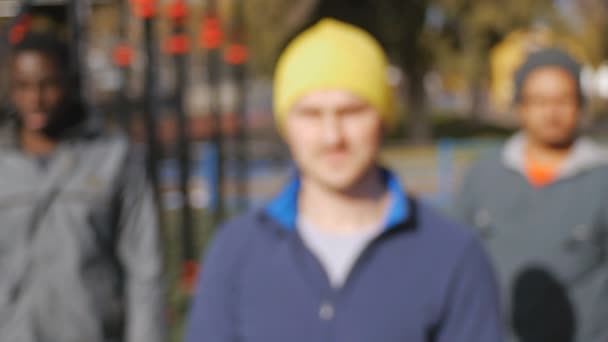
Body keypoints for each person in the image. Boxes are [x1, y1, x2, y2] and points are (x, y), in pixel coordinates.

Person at [186, 18, 502, 342]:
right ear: (285, 124)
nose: (332, 136)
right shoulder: (236, 251)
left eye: (351, 112)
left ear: (383, 118)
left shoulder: (451, 255)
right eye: (311, 114)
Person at [0, 32, 165, 342]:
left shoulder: (113, 157)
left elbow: (144, 270)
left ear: (69, 84)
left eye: (47, 85)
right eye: (23, 87)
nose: (35, 99)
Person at [453, 48, 608, 342]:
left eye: (562, 100)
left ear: (580, 105)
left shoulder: (601, 180)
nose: (551, 112)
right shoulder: (482, 177)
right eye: (538, 101)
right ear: (519, 106)